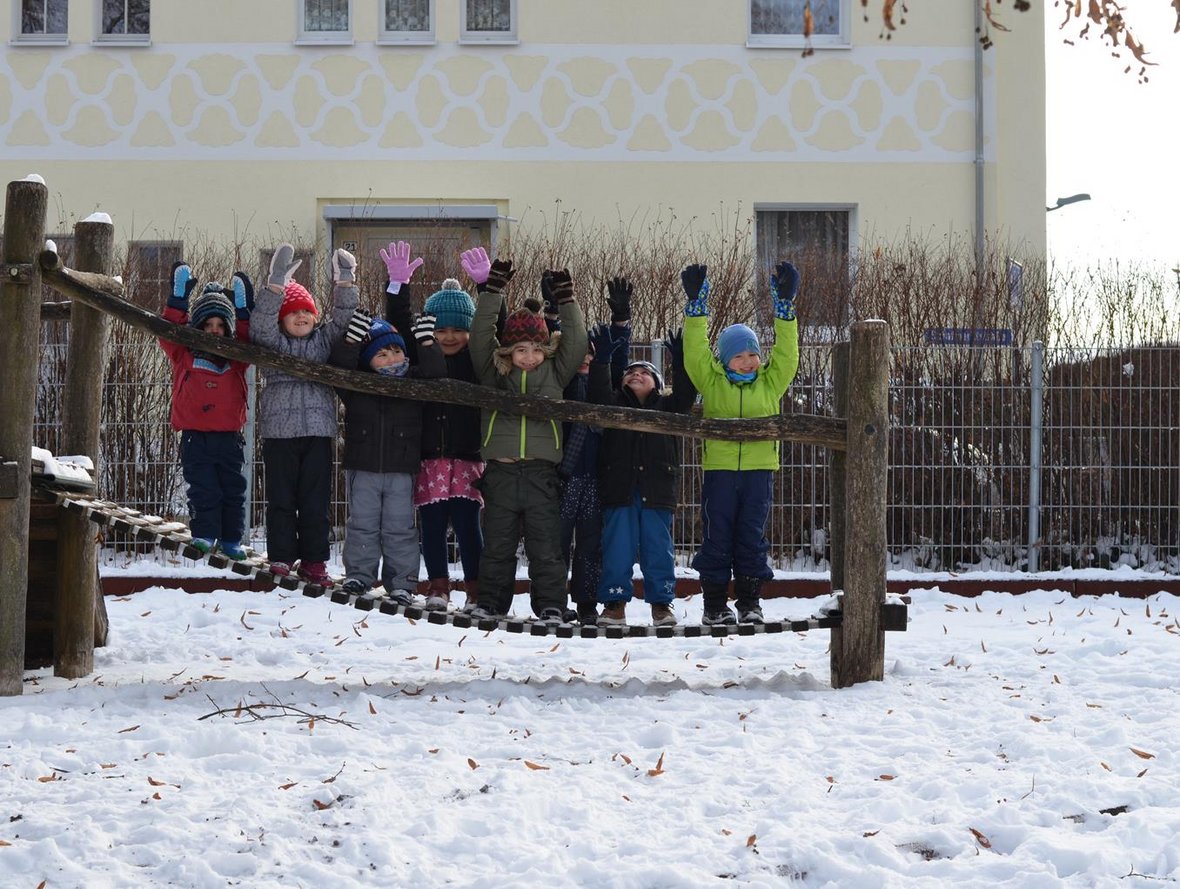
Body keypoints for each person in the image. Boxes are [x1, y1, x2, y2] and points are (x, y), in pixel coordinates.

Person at [463, 248, 589, 624]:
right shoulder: (494, 373)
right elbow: (480, 337)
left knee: (546, 546)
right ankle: (491, 603)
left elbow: (576, 341)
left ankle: (551, 603)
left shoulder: (554, 373)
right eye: (521, 349)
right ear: (509, 350)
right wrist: (493, 291)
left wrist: (567, 299)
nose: (529, 357)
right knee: (497, 545)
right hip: (500, 473)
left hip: (541, 474)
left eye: (536, 349)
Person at [681, 260, 800, 625]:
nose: (748, 361)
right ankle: (715, 604)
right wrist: (696, 309)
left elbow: (787, 355)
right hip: (719, 471)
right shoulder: (712, 381)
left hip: (758, 472)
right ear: (724, 359)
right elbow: (695, 353)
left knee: (751, 536)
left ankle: (750, 602)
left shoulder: (770, 382)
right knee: (718, 535)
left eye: (752, 354)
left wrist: (785, 311)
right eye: (739, 355)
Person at [330, 271, 445, 604]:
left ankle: (403, 581)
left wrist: (427, 343)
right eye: (382, 354)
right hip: (363, 466)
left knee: (400, 527)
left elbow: (437, 373)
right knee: (362, 524)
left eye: (396, 351)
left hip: (401, 468)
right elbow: (339, 368)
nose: (392, 358)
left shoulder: (414, 382)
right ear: (368, 362)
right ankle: (359, 575)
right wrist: (352, 339)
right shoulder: (358, 386)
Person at [250, 244, 357, 585]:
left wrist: (345, 282)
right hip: (279, 434)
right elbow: (260, 325)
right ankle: (281, 556)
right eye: (293, 312)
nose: (301, 317)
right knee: (281, 499)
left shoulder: (323, 342)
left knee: (315, 501)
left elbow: (344, 321)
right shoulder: (274, 343)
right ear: (282, 319)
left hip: (318, 433)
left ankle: (314, 561)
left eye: (307, 312)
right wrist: (275, 285)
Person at [590, 316, 697, 627]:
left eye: (645, 373)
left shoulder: (667, 407)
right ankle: (614, 604)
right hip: (619, 489)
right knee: (617, 548)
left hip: (657, 490)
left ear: (658, 385)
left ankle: (662, 604)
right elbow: (597, 395)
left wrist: (681, 361)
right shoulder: (613, 404)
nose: (636, 374)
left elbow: (686, 397)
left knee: (658, 549)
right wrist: (602, 361)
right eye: (630, 373)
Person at [550, 276, 632, 625]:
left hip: (596, 477)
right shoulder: (561, 381)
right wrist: (553, 313)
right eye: (580, 352)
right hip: (565, 476)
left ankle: (586, 601)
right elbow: (549, 347)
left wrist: (621, 321)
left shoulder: (607, 383)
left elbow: (619, 355)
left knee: (590, 544)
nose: (586, 357)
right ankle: (553, 600)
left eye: (592, 353)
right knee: (556, 542)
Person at [160, 262, 254, 560]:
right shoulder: (184, 354)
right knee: (203, 489)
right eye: (208, 325)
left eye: (220, 326)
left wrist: (243, 310)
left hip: (229, 438)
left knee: (233, 489)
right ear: (197, 327)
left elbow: (248, 337)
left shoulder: (235, 357)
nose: (214, 331)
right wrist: (178, 300)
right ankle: (203, 534)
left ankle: (230, 539)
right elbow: (169, 332)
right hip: (195, 437)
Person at [413, 266, 486, 613]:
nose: (450, 337)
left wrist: (487, 288)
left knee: (469, 527)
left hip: (468, 456)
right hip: (431, 457)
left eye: (458, 329)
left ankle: (475, 588)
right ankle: (438, 586)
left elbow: (493, 330)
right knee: (432, 525)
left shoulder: (476, 363)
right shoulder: (422, 361)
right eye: (441, 330)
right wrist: (397, 289)